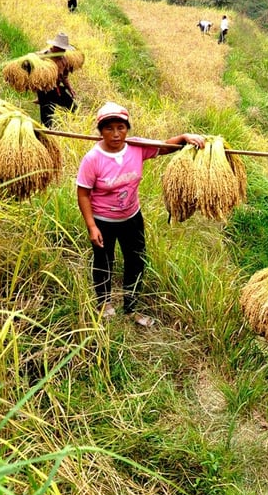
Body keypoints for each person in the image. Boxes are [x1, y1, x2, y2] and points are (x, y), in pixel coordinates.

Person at [75, 102, 206, 327]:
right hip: (103, 221)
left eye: (121, 127)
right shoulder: (92, 159)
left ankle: (131, 307)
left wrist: (185, 137)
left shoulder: (136, 147)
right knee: (103, 262)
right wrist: (92, 226)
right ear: (100, 131)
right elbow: (83, 194)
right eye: (109, 129)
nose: (116, 134)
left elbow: (165, 147)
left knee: (136, 262)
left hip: (131, 218)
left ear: (127, 128)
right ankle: (104, 303)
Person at [36, 32, 77, 128]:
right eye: (61, 49)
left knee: (73, 107)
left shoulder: (64, 60)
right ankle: (46, 136)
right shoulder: (43, 57)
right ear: (55, 46)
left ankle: (70, 127)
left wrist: (70, 88)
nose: (62, 51)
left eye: (64, 49)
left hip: (57, 89)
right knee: (47, 118)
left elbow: (64, 77)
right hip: (45, 91)